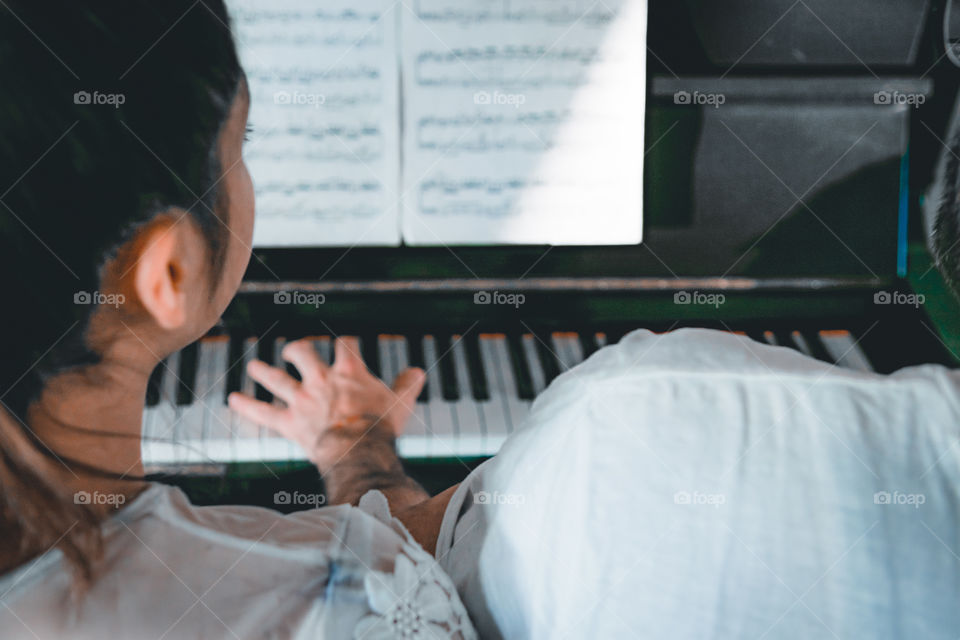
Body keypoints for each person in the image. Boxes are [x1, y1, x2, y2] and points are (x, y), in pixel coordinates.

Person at [0, 2, 473, 638]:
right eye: (240, 144)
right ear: (168, 273)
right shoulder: (336, 593)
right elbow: (402, 577)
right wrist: (360, 451)